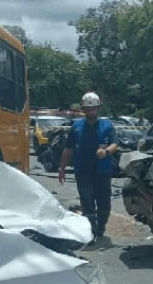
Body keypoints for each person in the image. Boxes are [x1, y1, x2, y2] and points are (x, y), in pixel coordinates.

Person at [59, 92, 118, 244]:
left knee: (104, 204)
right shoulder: (77, 127)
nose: (91, 111)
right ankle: (91, 232)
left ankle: (100, 229)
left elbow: (114, 144)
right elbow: (69, 149)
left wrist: (106, 152)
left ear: (99, 108)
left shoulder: (107, 126)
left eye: (94, 108)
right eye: (88, 109)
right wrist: (62, 168)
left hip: (103, 172)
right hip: (83, 172)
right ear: (83, 109)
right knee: (87, 204)